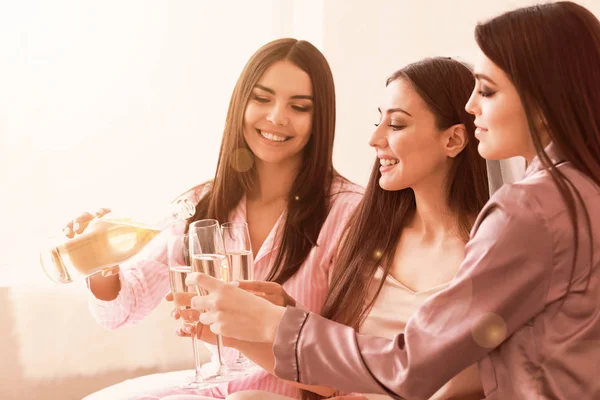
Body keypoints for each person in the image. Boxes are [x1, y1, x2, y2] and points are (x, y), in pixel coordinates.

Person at [187, 2, 600, 399]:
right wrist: (266, 324)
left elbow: (413, 367)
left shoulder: (527, 212)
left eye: (488, 91)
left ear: (544, 102)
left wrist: (275, 324)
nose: (472, 105)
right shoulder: (578, 193)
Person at [69, 38, 364, 399]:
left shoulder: (348, 213)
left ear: (319, 120)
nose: (276, 117)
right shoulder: (201, 205)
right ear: (241, 103)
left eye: (298, 106)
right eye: (262, 98)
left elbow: (355, 357)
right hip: (219, 388)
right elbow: (122, 310)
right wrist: (101, 264)